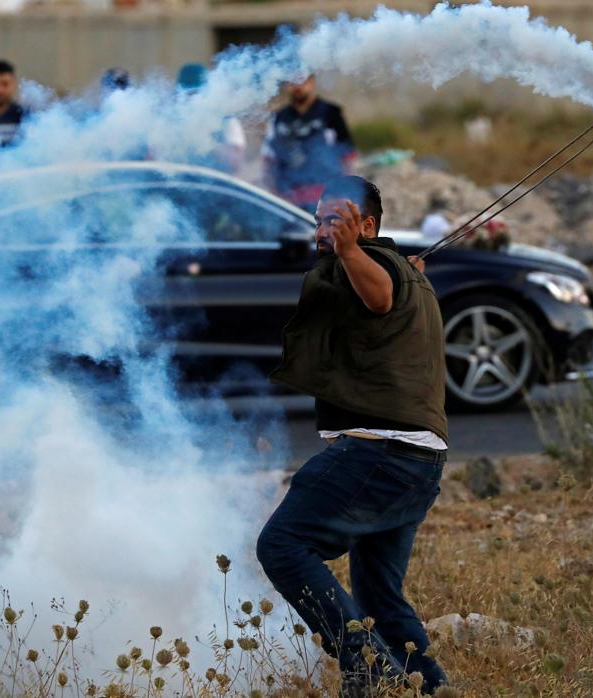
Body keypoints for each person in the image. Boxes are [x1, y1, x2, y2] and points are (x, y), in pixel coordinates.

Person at [258, 176, 449, 695]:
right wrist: (352, 255)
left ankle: (368, 667)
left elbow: (382, 296)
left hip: (379, 453)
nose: (325, 230)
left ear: (367, 226)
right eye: (320, 220)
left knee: (282, 544)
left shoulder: (378, 268)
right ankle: (432, 689)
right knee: (380, 598)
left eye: (337, 220)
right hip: (420, 462)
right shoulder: (399, 270)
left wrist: (350, 251)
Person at [262, 75, 357, 210]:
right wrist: (276, 197)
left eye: (302, 80)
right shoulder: (278, 119)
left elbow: (347, 158)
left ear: (311, 81)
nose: (297, 85)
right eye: (293, 81)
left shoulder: (331, 113)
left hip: (327, 198)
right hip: (289, 201)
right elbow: (268, 162)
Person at [176, 62, 246, 174]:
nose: (191, 100)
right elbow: (152, 161)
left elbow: (235, 162)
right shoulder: (170, 121)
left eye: (196, 94)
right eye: (186, 95)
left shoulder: (227, 122)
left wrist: (205, 141)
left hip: (217, 187)